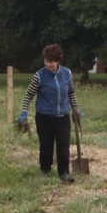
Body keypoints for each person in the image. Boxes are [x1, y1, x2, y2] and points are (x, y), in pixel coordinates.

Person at [18, 44, 82, 183]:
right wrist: (24, 111)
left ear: (58, 61)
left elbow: (71, 93)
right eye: (46, 61)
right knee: (46, 145)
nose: (48, 64)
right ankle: (45, 170)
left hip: (62, 116)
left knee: (63, 145)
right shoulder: (39, 76)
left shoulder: (67, 74)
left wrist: (76, 109)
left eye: (51, 62)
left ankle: (64, 173)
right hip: (44, 117)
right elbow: (29, 95)